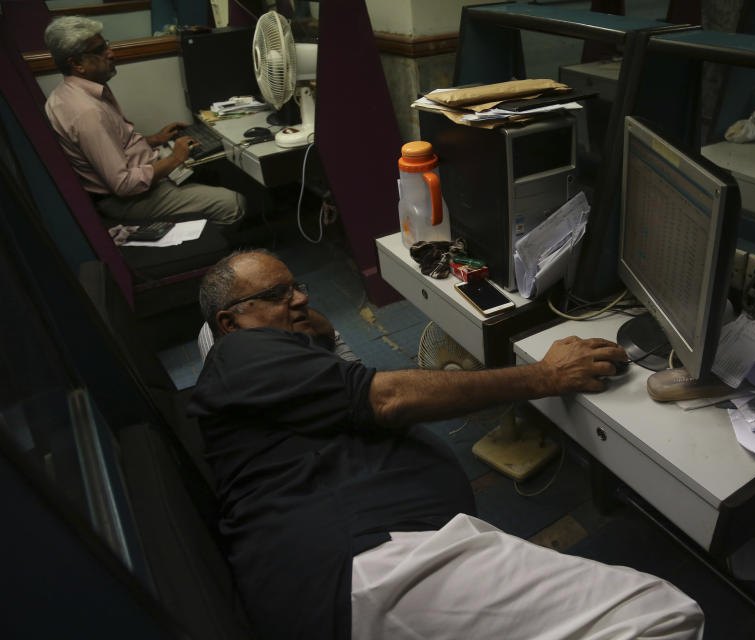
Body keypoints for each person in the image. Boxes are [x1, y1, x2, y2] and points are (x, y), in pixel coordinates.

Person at [188, 249, 705, 640]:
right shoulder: (239, 354)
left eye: (296, 286)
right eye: (276, 296)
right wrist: (544, 376)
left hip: (354, 557)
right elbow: (386, 397)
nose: (300, 299)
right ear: (229, 325)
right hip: (360, 566)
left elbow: (342, 379)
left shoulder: (263, 371)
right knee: (660, 616)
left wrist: (313, 335)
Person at [43, 16, 245, 226]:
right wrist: (174, 159)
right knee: (233, 203)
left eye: (106, 45)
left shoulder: (70, 93)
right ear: (76, 64)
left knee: (214, 169)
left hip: (139, 180)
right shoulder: (86, 112)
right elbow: (124, 185)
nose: (111, 54)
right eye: (99, 51)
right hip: (128, 200)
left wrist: (154, 139)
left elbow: (114, 146)